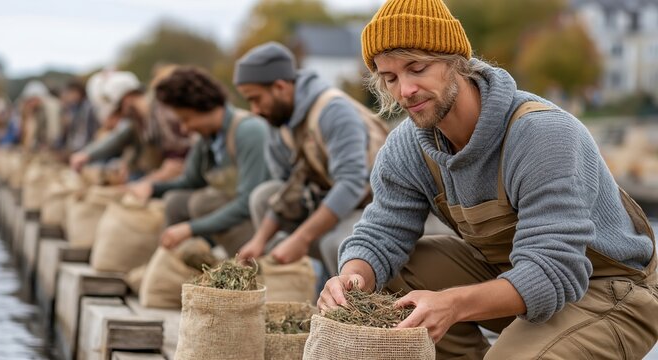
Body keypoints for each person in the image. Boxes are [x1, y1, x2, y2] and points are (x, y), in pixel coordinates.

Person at [319, 0, 658, 359]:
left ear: (455, 62)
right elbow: (381, 232)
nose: (405, 90)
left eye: (417, 68)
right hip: (514, 278)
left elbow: (554, 270)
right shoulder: (406, 148)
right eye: (390, 78)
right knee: (397, 271)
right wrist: (354, 278)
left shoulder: (542, 134)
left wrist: (452, 303)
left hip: (607, 291)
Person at [234, 42, 386, 276]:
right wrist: (259, 240)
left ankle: (342, 296)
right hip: (329, 198)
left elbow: (351, 184)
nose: (253, 110)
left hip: (373, 202)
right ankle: (303, 276)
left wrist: (301, 238)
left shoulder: (333, 111)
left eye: (256, 99)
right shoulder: (278, 120)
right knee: (264, 197)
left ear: (281, 86)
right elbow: (290, 187)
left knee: (336, 242)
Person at [129, 66, 270, 256]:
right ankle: (178, 264)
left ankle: (247, 269)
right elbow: (190, 180)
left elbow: (247, 203)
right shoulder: (207, 140)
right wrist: (152, 187)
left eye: (187, 119)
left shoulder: (249, 131)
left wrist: (191, 228)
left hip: (260, 225)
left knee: (203, 203)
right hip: (233, 216)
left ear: (204, 106)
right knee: (176, 201)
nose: (185, 128)